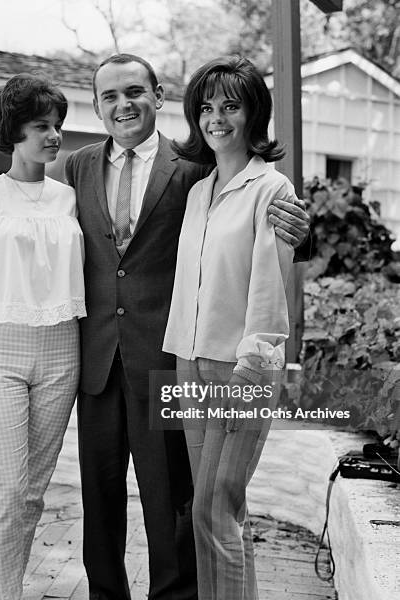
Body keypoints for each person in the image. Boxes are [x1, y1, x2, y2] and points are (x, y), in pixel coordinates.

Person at [0, 54, 310, 600]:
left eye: (134, 92)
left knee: (169, 499)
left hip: (166, 360)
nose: (123, 105)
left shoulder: (194, 169)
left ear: (157, 95)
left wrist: (300, 229)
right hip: (92, 360)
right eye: (109, 96)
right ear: (98, 107)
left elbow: (247, 219)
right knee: (98, 500)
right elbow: (23, 205)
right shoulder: (74, 167)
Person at [163, 55, 297, 600]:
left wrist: (251, 368)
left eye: (231, 106)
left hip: (240, 367)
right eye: (206, 107)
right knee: (218, 511)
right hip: (188, 361)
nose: (217, 118)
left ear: (252, 114)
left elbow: (269, 289)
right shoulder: (199, 192)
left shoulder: (272, 188)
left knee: (213, 509)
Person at [0, 73, 86, 600]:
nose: (52, 135)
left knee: (32, 492)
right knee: (7, 487)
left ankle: (12, 587)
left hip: (61, 351)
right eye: (39, 126)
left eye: (57, 126)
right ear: (12, 133)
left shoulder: (72, 198)